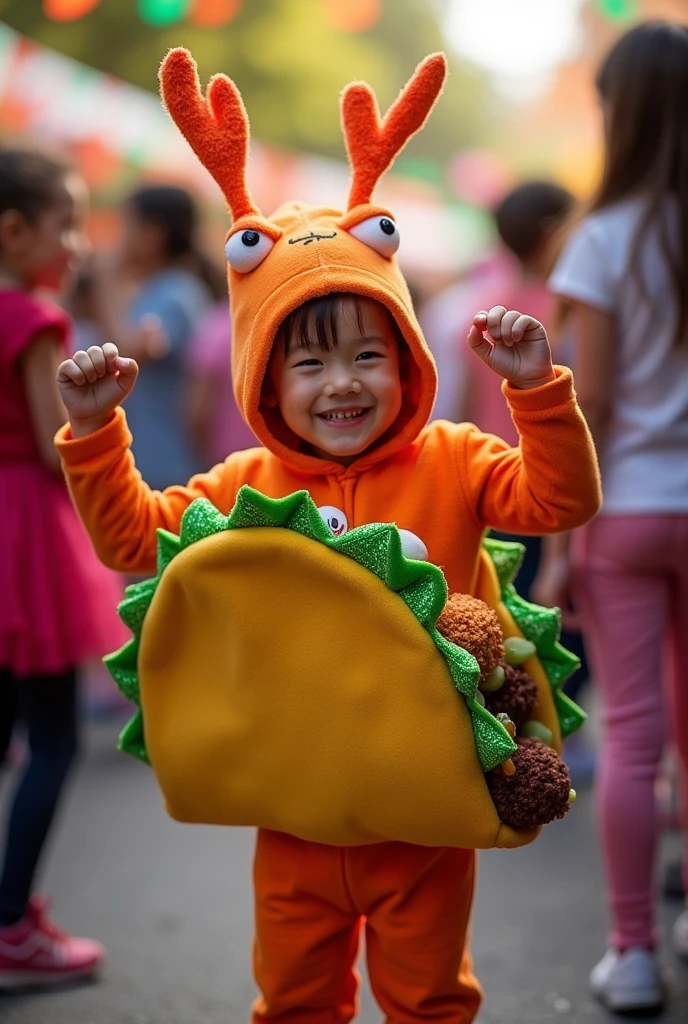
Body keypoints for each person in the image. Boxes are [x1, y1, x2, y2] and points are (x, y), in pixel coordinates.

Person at [54, 49, 600, 1023]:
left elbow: (557, 501)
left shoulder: (457, 456)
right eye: (305, 363)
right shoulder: (242, 486)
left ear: (408, 360)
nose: (340, 382)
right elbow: (136, 542)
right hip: (294, 812)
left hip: (425, 809)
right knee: (294, 998)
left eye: (365, 354)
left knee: (430, 996)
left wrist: (534, 390)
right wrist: (96, 433)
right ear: (263, 379)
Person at [541, 20, 688, 1014]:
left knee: (632, 736)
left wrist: (559, 538)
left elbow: (584, 405)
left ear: (618, 114)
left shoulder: (601, 238)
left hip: (626, 511)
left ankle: (632, 951)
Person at [0, 145, 127, 988]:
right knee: (52, 740)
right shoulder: (36, 319)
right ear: (14, 231)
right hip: (25, 537)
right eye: (67, 225)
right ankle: (12, 924)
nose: (79, 245)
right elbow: (56, 448)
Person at [89, 184, 218, 489]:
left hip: (165, 464)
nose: (119, 238)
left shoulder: (177, 292)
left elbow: (125, 355)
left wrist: (104, 279)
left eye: (127, 226)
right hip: (152, 461)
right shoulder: (159, 288)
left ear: (153, 234)